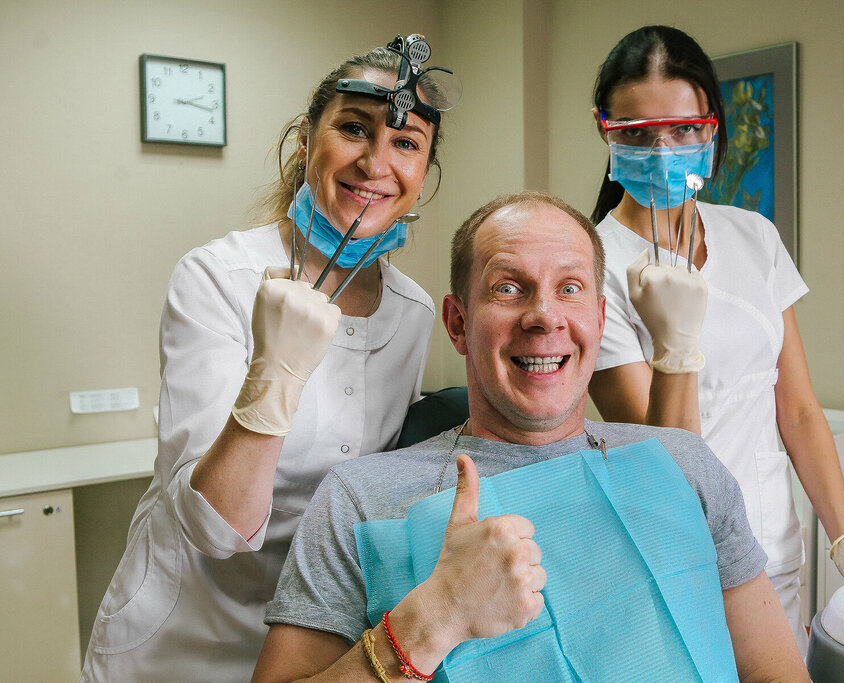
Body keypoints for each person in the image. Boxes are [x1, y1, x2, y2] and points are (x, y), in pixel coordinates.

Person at [251, 191, 809, 682]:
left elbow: (773, 671)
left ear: (599, 316)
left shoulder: (684, 464)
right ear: (458, 323)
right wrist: (428, 623)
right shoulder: (360, 499)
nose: (544, 316)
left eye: (569, 289)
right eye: (509, 289)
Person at [81, 34, 459, 682]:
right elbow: (216, 527)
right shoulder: (217, 277)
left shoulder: (413, 311)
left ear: (423, 174)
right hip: (180, 641)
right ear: (306, 141)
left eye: (406, 143)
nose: (376, 161)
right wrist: (274, 374)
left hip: (313, 642)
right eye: (353, 128)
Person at [586, 25, 844, 651]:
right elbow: (660, 466)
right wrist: (675, 347)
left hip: (773, 553)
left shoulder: (752, 236)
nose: (663, 150)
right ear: (606, 130)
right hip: (677, 565)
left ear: (711, 129)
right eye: (638, 134)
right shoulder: (591, 266)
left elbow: (796, 410)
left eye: (684, 129)